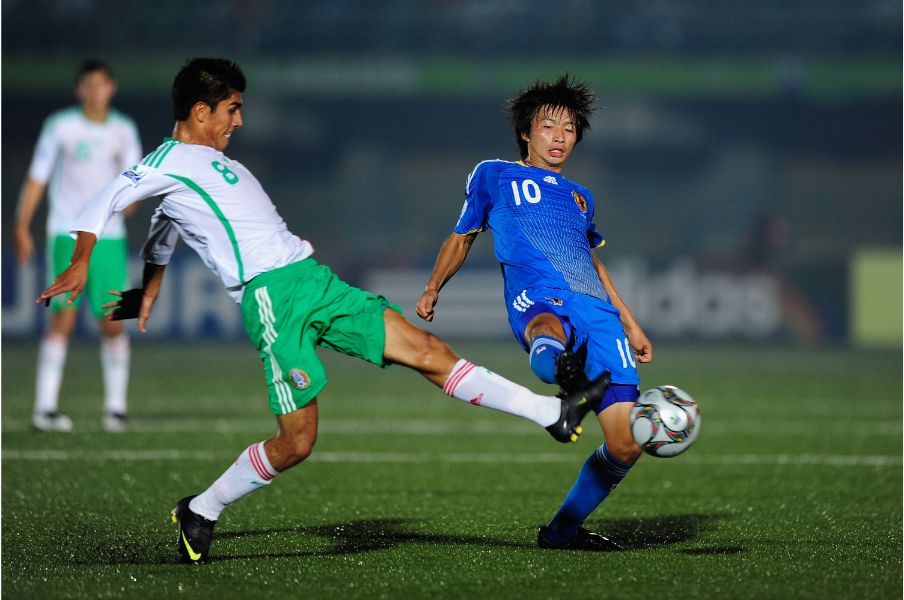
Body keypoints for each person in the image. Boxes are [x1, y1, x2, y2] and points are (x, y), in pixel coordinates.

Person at [37, 58, 610, 564]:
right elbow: (107, 196)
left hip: (315, 281)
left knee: (430, 352)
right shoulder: (168, 159)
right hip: (273, 301)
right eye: (232, 110)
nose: (239, 122)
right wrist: (85, 257)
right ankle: (200, 509)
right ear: (201, 111)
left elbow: (164, 229)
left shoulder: (205, 165)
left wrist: (150, 287)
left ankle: (552, 414)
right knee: (297, 442)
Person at [416, 74, 653, 551]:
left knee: (626, 443)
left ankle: (562, 532)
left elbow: (591, 260)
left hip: (598, 313)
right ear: (527, 132)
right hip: (537, 292)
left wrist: (628, 319)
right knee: (547, 331)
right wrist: (433, 287)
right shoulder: (494, 175)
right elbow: (463, 235)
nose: (560, 137)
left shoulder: (581, 196)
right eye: (549, 127)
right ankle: (562, 377)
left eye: (569, 129)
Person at [16, 59, 142, 433]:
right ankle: (45, 409)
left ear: (111, 88)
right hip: (65, 234)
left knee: (113, 320)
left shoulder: (123, 129)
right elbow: (38, 176)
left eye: (101, 84)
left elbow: (136, 180)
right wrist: (22, 224)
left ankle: (116, 409)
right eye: (88, 85)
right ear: (79, 90)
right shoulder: (61, 126)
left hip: (110, 237)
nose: (94, 91)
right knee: (63, 318)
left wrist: (131, 201)